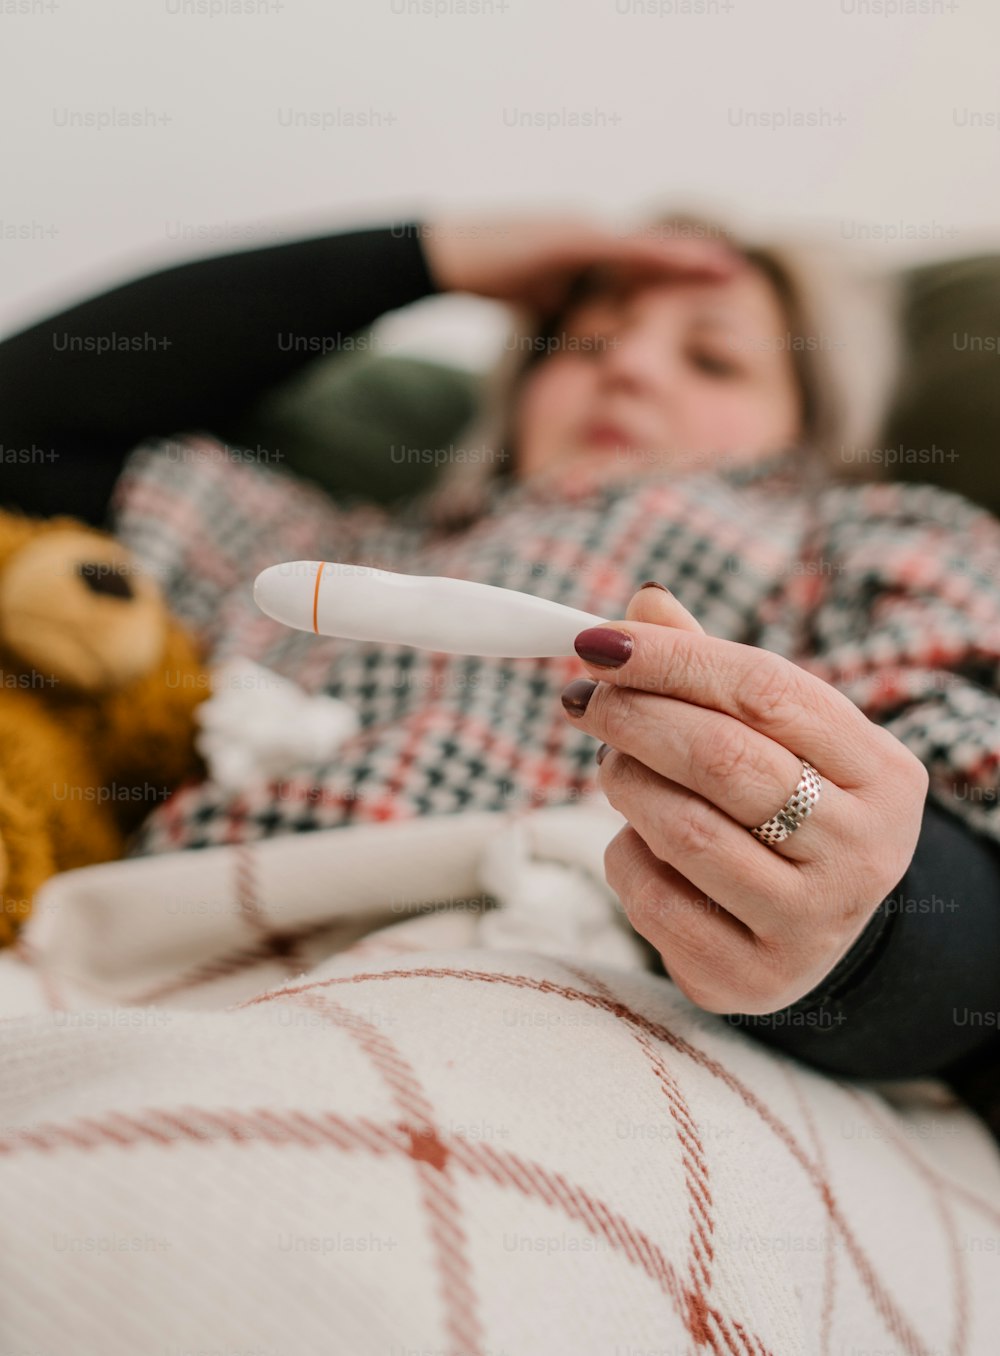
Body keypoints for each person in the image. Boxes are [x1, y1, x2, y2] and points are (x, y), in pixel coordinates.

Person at [2, 214, 1000, 1134]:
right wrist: (425, 254)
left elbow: (968, 846)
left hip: (533, 992)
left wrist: (854, 944)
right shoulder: (317, 537)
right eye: (585, 340)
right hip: (141, 964)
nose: (630, 372)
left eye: (713, 356)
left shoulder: (864, 546)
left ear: (810, 430)